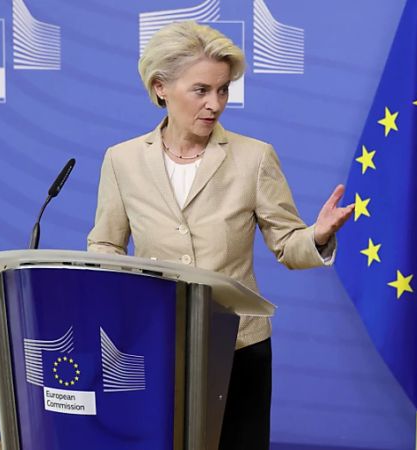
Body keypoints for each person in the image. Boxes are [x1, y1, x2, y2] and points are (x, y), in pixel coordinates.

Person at [87, 21, 353, 449]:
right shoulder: (122, 161)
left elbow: (287, 245)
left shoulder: (254, 157)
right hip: (153, 345)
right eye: (201, 90)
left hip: (238, 347)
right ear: (160, 88)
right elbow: (105, 246)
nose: (216, 104)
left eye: (223, 90)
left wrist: (317, 237)